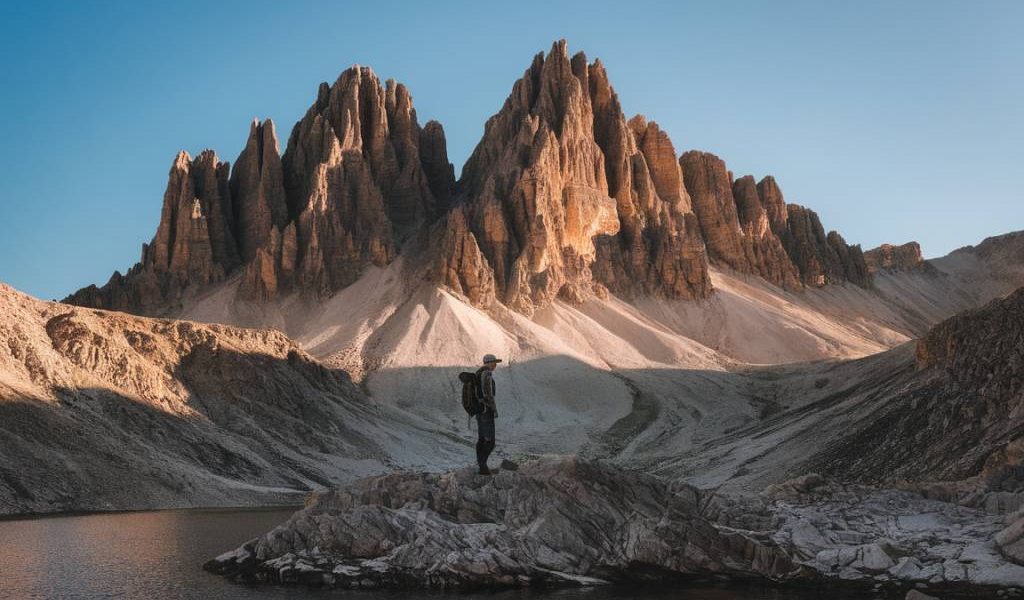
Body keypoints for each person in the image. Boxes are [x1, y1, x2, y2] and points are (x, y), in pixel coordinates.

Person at [475, 354, 501, 475]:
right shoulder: (487, 374)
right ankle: (482, 466)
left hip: (479, 411)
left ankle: (481, 466)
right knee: (490, 442)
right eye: (494, 362)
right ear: (489, 362)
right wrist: (494, 410)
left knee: (481, 439)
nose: (495, 365)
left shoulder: (477, 373)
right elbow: (489, 394)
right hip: (486, 410)